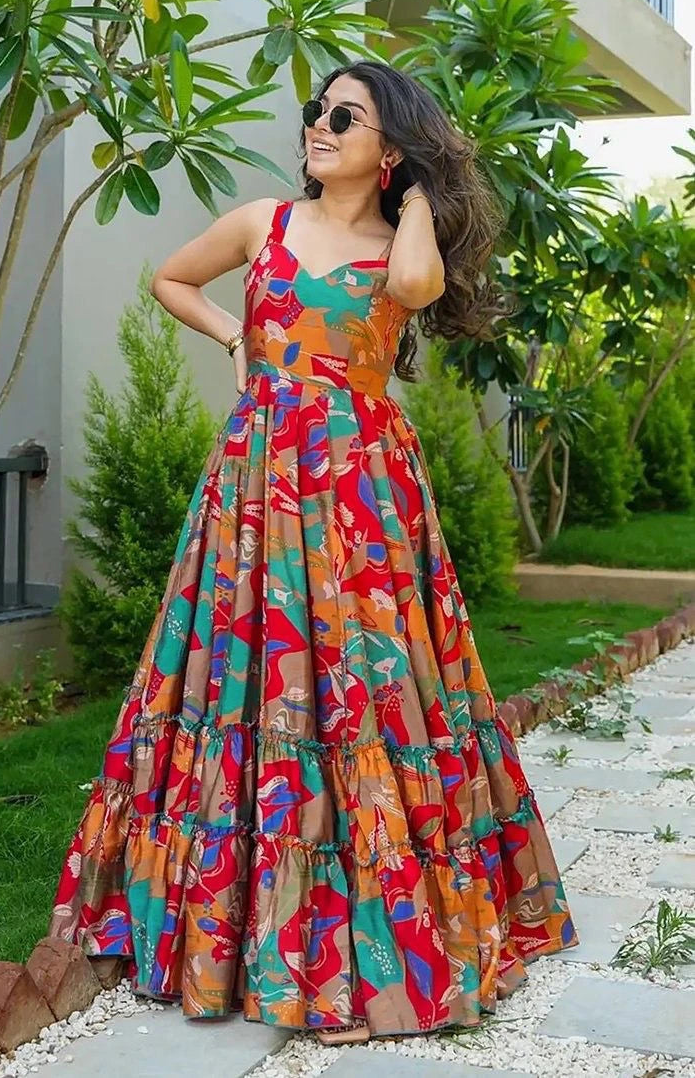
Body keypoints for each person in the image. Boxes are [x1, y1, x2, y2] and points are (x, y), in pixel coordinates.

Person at [48, 59, 578, 1046]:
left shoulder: (395, 246)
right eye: (317, 111)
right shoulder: (263, 222)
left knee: (364, 684)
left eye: (348, 116)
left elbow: (418, 283)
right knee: (239, 674)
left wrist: (418, 192)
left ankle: (363, 922)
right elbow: (171, 277)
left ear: (389, 149)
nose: (321, 126)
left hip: (359, 492)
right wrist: (233, 340)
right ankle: (226, 915)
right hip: (255, 487)